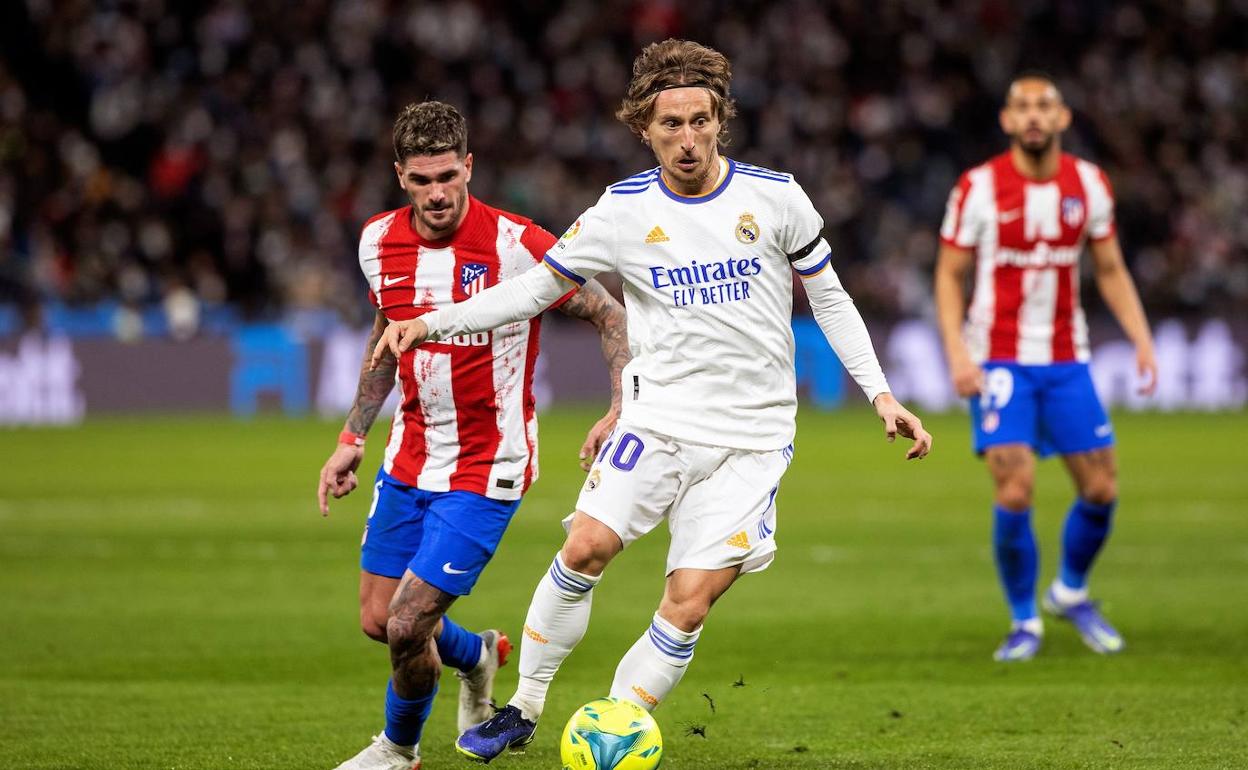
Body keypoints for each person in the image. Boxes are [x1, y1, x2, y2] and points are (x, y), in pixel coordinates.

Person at [371, 40, 932, 762]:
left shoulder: (776, 196)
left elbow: (830, 296)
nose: (688, 139)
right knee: (585, 547)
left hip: (752, 443)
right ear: (645, 127)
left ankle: (617, 720)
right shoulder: (622, 210)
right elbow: (535, 291)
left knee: (688, 599)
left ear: (720, 120)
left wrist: (881, 394)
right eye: (671, 125)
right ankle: (526, 705)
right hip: (658, 420)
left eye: (701, 121)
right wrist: (431, 320)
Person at [317, 101, 630, 770]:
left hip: (488, 468)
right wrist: (352, 435)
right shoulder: (377, 241)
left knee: (407, 624)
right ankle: (479, 654)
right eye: (422, 179)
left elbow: (608, 314)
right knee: (381, 622)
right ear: (401, 176)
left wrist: (620, 406)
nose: (437, 193)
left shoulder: (518, 244)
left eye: (448, 177)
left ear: (470, 167)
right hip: (409, 455)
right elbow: (386, 334)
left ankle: (397, 752)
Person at [934, 72, 1158, 662]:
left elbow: (1108, 268)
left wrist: (1141, 339)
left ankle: (1070, 591)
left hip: (1067, 356)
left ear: (1062, 119)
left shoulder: (1090, 184)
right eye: (1022, 107)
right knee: (1016, 488)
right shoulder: (978, 187)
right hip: (1001, 358)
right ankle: (1024, 619)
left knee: (1103, 488)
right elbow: (949, 274)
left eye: (1045, 107)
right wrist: (958, 351)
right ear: (1007, 120)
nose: (1034, 116)